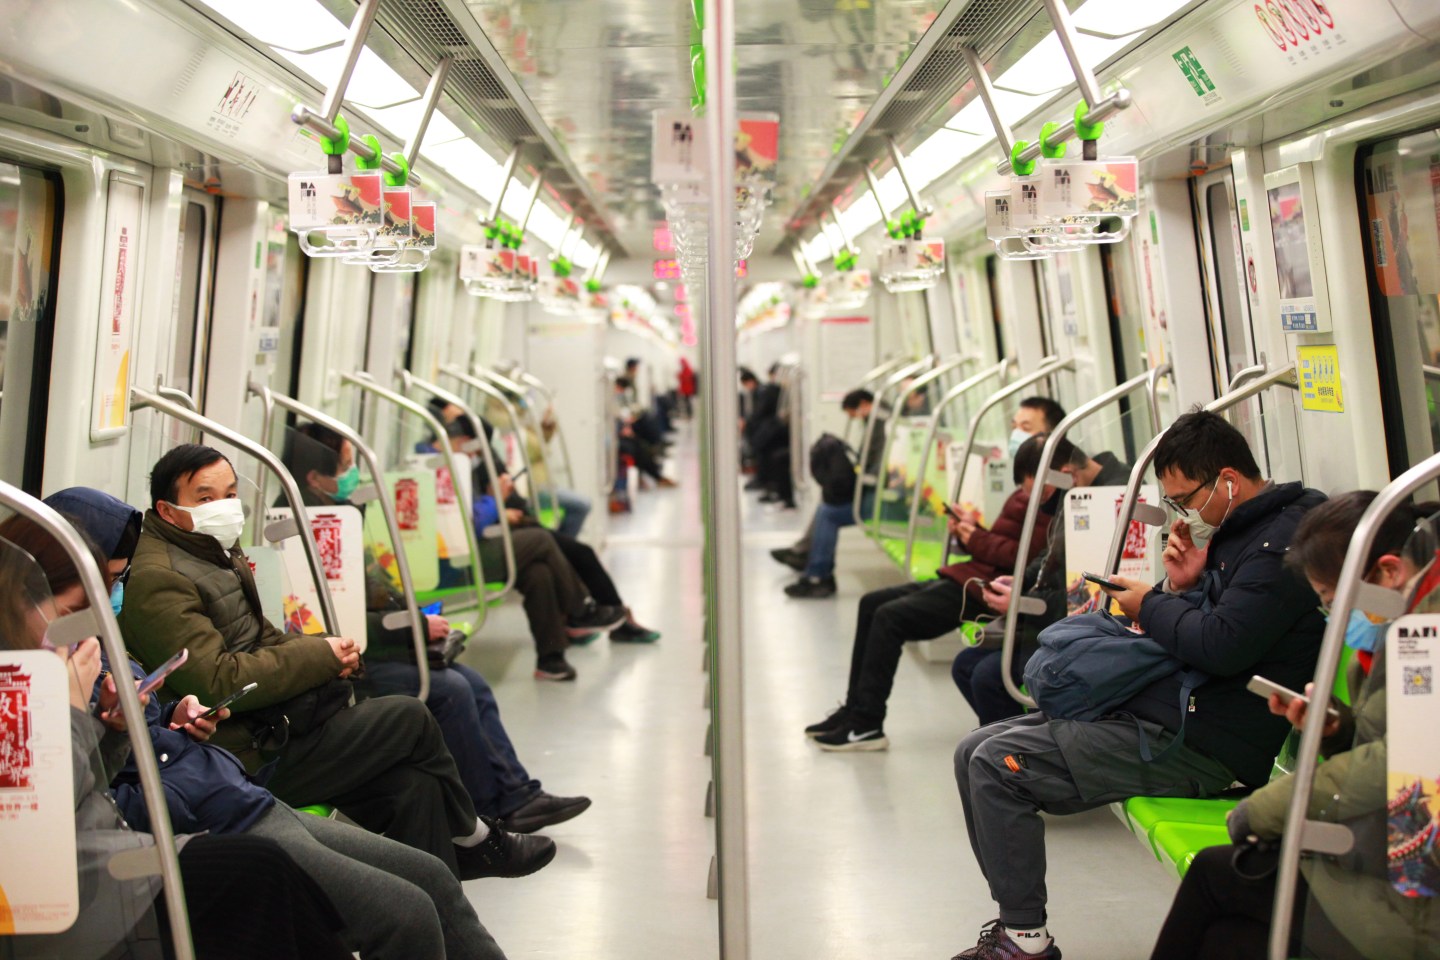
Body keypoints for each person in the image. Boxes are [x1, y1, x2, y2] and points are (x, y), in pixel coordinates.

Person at [948, 410, 1326, 960]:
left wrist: (1150, 603)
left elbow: (1221, 646)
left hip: (1205, 743)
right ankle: (1016, 927)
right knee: (972, 750)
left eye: (1185, 499)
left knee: (994, 765)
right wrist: (1183, 587)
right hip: (1172, 709)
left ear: (1227, 480)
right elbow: (1215, 626)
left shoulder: (1278, 549)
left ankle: (1025, 941)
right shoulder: (1241, 533)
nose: (1183, 514)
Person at [113, 445, 554, 879]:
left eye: (230, 494)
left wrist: (326, 648)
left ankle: (437, 909)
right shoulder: (160, 579)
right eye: (205, 498)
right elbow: (216, 680)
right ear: (167, 510)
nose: (224, 507)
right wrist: (317, 657)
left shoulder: (209, 549)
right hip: (240, 756)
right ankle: (477, 839)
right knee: (411, 716)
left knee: (414, 788)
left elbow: (262, 636)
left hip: (272, 725)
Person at [0, 515, 353, 960]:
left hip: (118, 850)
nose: (84, 635)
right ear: (20, 600)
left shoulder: (40, 667)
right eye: (73, 616)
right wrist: (71, 712)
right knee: (258, 872)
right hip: (74, 889)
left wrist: (113, 728)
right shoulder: (19, 685)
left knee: (279, 882)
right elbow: (36, 818)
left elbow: (89, 784)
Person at [1149, 491, 1440, 960]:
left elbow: (1398, 765)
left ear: (1388, 573)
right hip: (1390, 855)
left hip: (1419, 894)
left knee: (1217, 874)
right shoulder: (1401, 634)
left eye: (1335, 603)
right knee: (1230, 938)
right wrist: (1338, 730)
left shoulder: (1427, 639)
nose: (1338, 620)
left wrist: (1263, 812)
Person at [271, 425, 593, 831]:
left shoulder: (338, 516)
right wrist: (412, 628)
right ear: (315, 478)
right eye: (346, 466)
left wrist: (413, 615)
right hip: (345, 661)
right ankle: (487, 810)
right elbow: (327, 620)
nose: (354, 474)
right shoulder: (301, 531)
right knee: (452, 690)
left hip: (370, 643)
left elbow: (367, 589)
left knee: (472, 681)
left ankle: (515, 795)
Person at [804, 432, 1123, 750]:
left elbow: (1035, 559)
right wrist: (992, 551)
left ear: (1064, 471)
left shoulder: (1094, 499)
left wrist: (982, 547)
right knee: (872, 603)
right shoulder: (1062, 490)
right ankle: (855, 710)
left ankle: (867, 722)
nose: (1016, 428)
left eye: (1026, 424)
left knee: (892, 619)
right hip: (991, 578)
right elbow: (1040, 557)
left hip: (1014, 593)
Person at [950, 432, 1130, 726]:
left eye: (1044, 495)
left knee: (987, 677)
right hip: (1053, 616)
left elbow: (1089, 595)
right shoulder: (1077, 490)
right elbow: (1050, 553)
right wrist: (1020, 581)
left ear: (1066, 473)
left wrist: (1023, 603)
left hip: (1084, 626)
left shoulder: (1112, 498)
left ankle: (1018, 748)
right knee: (965, 665)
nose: (1045, 503)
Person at [449, 416, 661, 645]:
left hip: (513, 521)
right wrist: (497, 505)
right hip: (495, 531)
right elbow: (471, 517)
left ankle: (586, 624)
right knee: (568, 553)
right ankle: (585, 616)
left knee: (566, 557)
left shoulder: (475, 461)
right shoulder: (455, 467)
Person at [781, 389, 884, 598]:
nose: (855, 418)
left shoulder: (882, 427)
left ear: (864, 404)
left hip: (883, 499)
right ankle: (808, 556)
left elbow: (880, 466)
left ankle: (818, 575)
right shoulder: (877, 424)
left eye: (854, 413)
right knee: (827, 505)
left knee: (829, 513)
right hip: (875, 491)